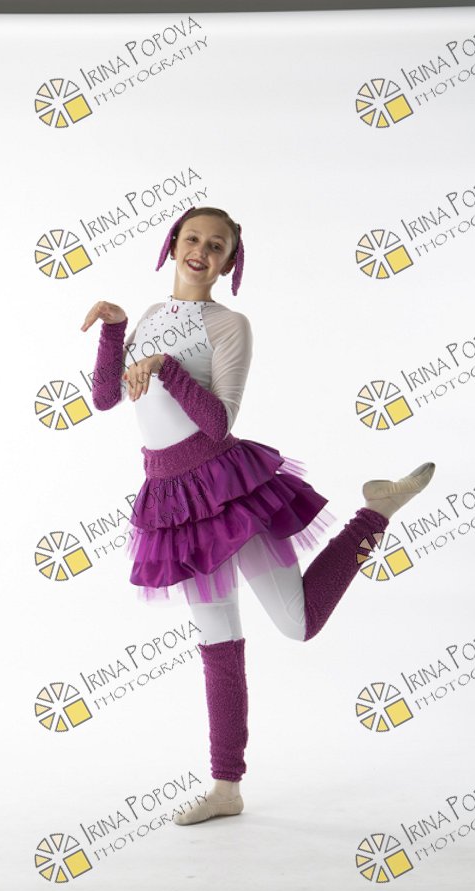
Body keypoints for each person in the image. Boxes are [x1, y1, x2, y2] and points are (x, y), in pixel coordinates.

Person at [81, 205, 435, 826]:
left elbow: (220, 422)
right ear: (172, 244)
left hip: (227, 486)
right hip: (172, 501)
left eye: (217, 246)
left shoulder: (231, 325)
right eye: (193, 238)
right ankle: (227, 788)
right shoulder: (151, 315)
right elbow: (107, 397)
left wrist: (164, 367)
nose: (201, 251)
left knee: (297, 625)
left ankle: (373, 515)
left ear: (229, 262)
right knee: (217, 644)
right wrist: (115, 331)